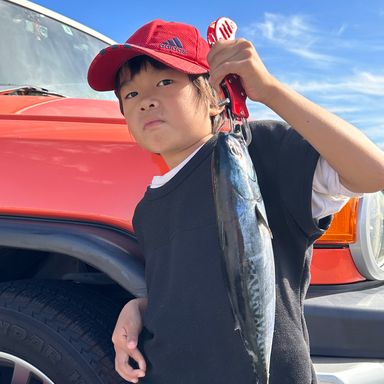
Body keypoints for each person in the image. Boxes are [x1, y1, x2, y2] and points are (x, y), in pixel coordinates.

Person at [87, 19, 384, 384]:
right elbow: (188, 291)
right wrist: (140, 307)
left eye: (166, 82)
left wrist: (271, 91)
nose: (146, 100)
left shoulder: (260, 153)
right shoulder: (147, 209)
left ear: (213, 99)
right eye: (130, 95)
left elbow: (374, 172)